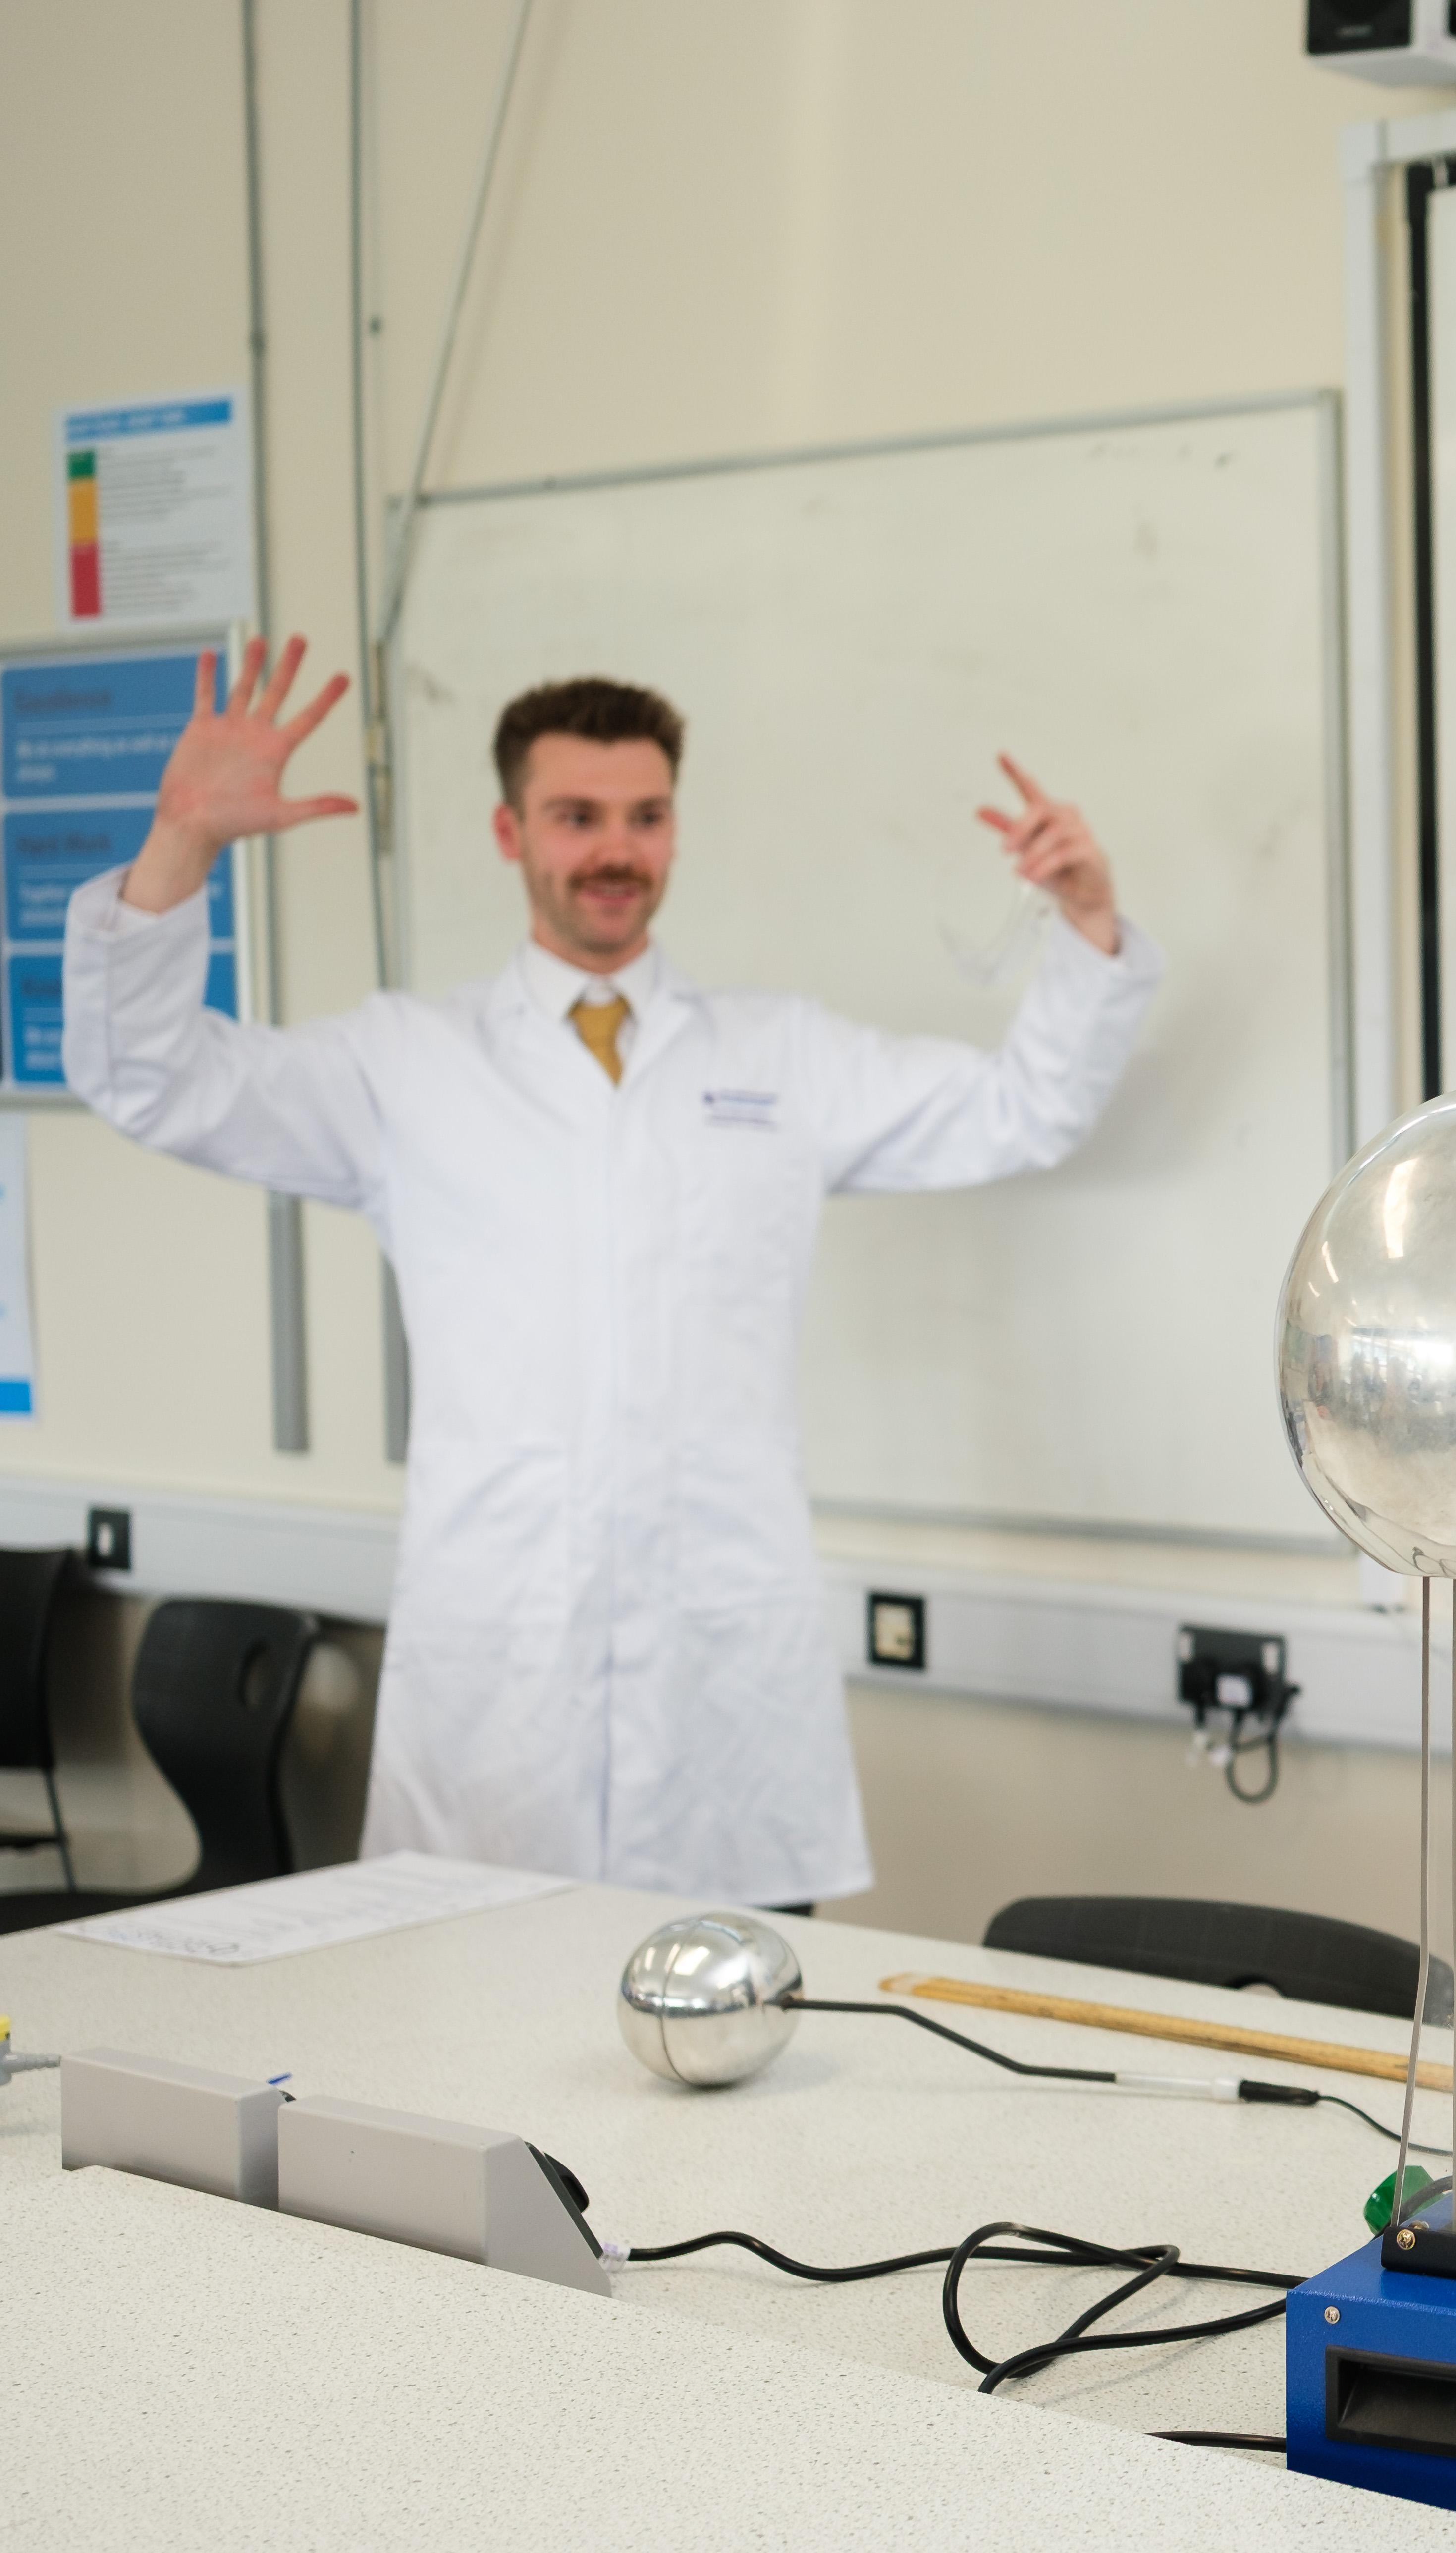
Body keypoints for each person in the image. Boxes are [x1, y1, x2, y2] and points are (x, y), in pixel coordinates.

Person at [67, 641, 1163, 1907]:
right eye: (576, 815)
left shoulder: (781, 1057)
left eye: (645, 816)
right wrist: (182, 844)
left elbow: (1023, 1109)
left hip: (720, 1700)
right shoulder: (405, 1067)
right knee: (477, 2009)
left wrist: (1087, 923)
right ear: (510, 830)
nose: (615, 849)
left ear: (674, 830)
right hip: (497, 1691)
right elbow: (152, 1080)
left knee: (733, 2010)